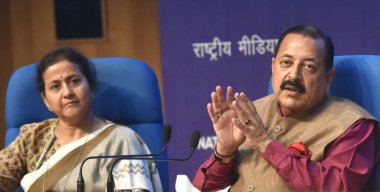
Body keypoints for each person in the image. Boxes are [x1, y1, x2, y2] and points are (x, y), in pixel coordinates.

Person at [193, 25, 380, 191]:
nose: (294, 75)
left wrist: (264, 143)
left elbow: (337, 187)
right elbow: (205, 188)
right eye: (286, 63)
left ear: (329, 77)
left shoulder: (355, 125)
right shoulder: (252, 112)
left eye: (308, 66)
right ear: (273, 66)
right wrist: (225, 151)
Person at [0, 47, 162, 191]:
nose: (67, 92)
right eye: (55, 86)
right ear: (46, 101)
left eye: (74, 81)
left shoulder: (121, 141)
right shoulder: (32, 136)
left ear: (91, 87)